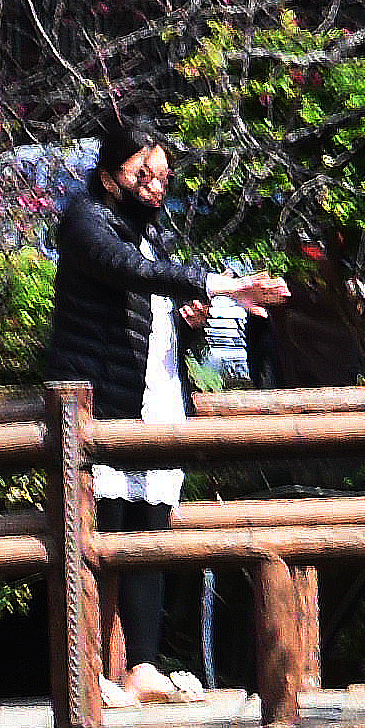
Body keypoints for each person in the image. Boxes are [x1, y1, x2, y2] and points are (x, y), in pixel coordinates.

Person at [48, 130, 287, 691]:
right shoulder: (85, 222)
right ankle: (88, 671)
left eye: (161, 177)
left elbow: (151, 305)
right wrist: (221, 284)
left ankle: (142, 666)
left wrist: (191, 320)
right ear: (108, 177)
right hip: (104, 397)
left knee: (149, 530)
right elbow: (128, 272)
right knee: (102, 528)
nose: (154, 188)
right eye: (141, 176)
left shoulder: (149, 232)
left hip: (155, 393)